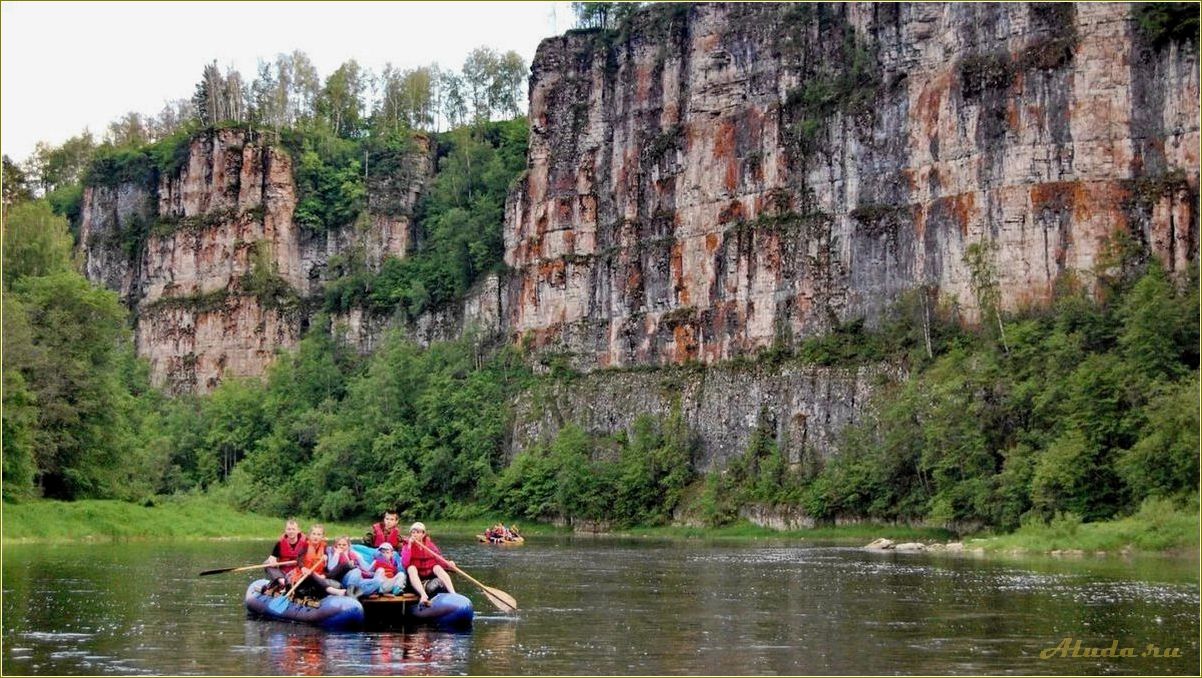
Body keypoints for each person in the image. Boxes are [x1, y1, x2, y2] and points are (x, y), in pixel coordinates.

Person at [401, 521, 457, 606]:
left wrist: (448, 564)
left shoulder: (430, 545)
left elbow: (439, 559)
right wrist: (409, 546)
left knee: (437, 567)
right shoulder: (407, 546)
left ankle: (453, 593)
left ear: (423, 534)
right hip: (416, 577)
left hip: (429, 574)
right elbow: (405, 563)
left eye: (418, 532)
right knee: (411, 568)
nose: (415, 534)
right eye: (413, 532)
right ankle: (423, 595)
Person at [290, 524, 347, 598]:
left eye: (318, 534)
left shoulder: (324, 546)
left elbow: (325, 561)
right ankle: (332, 590)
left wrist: (326, 556)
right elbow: (299, 559)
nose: (316, 536)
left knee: (342, 566)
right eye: (313, 534)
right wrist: (303, 568)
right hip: (304, 575)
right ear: (309, 535)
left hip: (319, 574)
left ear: (322, 537)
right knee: (309, 572)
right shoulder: (305, 545)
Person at [264, 519, 307, 593]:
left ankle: (289, 584)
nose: (291, 531)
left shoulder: (306, 542)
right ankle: (284, 583)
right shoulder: (280, 543)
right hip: (283, 573)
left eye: (293, 529)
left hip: (298, 572)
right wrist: (272, 561)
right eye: (289, 529)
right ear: (285, 531)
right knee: (266, 563)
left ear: (298, 530)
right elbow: (272, 558)